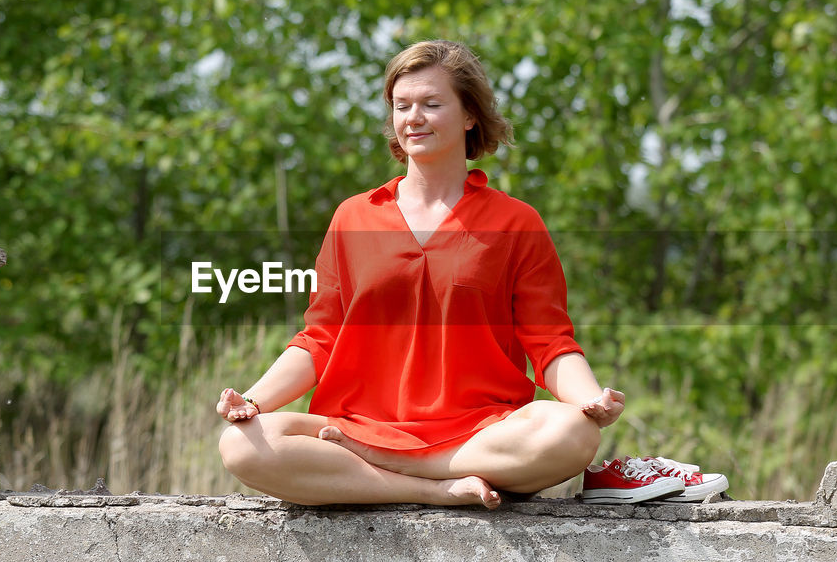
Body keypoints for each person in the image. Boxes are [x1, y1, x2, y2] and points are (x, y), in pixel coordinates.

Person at [216, 40, 623, 509]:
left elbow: (550, 342)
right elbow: (319, 338)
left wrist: (591, 398)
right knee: (241, 443)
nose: (414, 118)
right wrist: (253, 400)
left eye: (432, 104)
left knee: (573, 432)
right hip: (355, 426)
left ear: (470, 115)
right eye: (402, 105)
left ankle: (396, 465)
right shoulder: (353, 217)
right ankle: (434, 490)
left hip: (480, 431)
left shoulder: (516, 222)